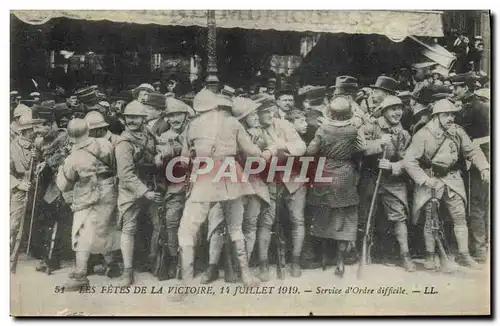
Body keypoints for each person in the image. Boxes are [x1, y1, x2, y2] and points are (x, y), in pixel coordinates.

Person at [177, 88, 272, 292]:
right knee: (236, 228)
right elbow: (252, 152)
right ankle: (246, 275)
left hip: (204, 176)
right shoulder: (233, 123)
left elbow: (184, 159)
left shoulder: (192, 125)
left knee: (187, 231)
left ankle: (186, 283)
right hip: (231, 175)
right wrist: (268, 152)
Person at [403, 99, 489, 271]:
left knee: (460, 218)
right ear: (436, 116)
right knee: (430, 220)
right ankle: (430, 255)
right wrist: (424, 179)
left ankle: (464, 255)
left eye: (452, 115)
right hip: (430, 179)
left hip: (452, 178)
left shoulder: (457, 132)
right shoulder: (423, 134)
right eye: (446, 115)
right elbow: (409, 161)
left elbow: (472, 150)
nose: (450, 118)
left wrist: (484, 166)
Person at [201, 97, 271, 284]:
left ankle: (232, 269)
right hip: (229, 178)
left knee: (237, 224)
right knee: (224, 225)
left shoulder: (258, 134)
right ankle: (223, 269)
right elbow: (251, 152)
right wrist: (263, 154)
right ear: (244, 116)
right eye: (252, 114)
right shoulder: (232, 128)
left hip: (237, 181)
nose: (256, 116)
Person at [55, 119, 121, 291]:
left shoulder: (73, 157)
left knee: (82, 232)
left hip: (87, 194)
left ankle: (81, 275)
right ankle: (111, 265)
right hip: (110, 190)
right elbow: (115, 165)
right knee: (107, 227)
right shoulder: (104, 144)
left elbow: (64, 184)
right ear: (88, 130)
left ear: (70, 136)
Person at [306, 97, 365, 277]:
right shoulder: (353, 130)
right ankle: (340, 262)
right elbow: (362, 147)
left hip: (325, 172)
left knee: (324, 215)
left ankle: (324, 258)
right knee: (345, 218)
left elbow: (310, 151)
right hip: (346, 174)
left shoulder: (323, 129)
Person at [362, 95, 416, 272]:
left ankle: (405, 255)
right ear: (384, 111)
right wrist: (379, 144)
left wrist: (393, 166)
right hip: (370, 178)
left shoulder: (404, 133)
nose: (397, 112)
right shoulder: (370, 127)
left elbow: (409, 160)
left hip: (393, 180)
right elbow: (358, 147)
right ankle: (365, 253)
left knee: (399, 216)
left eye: (399, 108)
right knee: (367, 216)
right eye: (393, 109)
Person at [256, 96, 307, 281]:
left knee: (297, 220)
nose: (269, 115)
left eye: (271, 110)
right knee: (266, 222)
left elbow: (301, 146)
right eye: (264, 112)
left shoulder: (284, 124)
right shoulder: (254, 131)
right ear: (256, 114)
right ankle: (263, 264)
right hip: (268, 180)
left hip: (294, 178)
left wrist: (281, 146)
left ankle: (296, 261)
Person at [114, 100, 163, 286]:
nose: (132, 121)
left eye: (136, 117)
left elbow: (158, 144)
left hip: (150, 182)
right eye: (129, 118)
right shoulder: (124, 142)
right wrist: (144, 193)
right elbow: (125, 174)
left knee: (157, 223)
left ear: (143, 119)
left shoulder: (147, 133)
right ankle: (127, 272)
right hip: (131, 190)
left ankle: (153, 262)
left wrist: (160, 153)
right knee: (129, 228)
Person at [451, 72, 490, 263]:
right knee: (484, 204)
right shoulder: (484, 105)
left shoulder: (468, 109)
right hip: (486, 159)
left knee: (475, 205)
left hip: (476, 160)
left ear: (465, 88)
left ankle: (479, 248)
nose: (454, 90)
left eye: (456, 87)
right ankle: (483, 245)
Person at [154, 97, 192, 279]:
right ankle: (173, 259)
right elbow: (161, 162)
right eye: (172, 116)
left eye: (179, 115)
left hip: (196, 185)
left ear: (186, 116)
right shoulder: (164, 137)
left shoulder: (194, 133)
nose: (175, 119)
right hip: (175, 187)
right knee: (171, 223)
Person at [10, 112, 43, 254]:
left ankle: (26, 247)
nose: (35, 132)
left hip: (35, 187)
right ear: (25, 131)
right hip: (20, 187)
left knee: (32, 219)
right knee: (14, 221)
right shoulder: (12, 147)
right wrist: (18, 184)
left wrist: (38, 158)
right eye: (32, 130)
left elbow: (39, 166)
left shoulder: (36, 145)